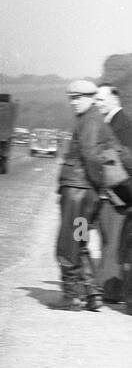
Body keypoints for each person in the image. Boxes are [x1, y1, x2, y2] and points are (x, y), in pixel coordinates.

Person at [55, 79, 120, 310]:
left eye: (79, 97)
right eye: (71, 98)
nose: (74, 102)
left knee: (68, 243)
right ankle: (93, 293)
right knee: (80, 240)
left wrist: (95, 184)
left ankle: (72, 294)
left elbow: (91, 156)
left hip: (77, 193)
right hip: (86, 195)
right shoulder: (93, 119)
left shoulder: (90, 121)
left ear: (91, 97)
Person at [94, 83, 132, 303]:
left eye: (101, 100)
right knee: (109, 240)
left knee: (114, 242)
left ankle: (110, 290)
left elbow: (123, 162)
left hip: (118, 194)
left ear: (114, 100)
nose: (98, 104)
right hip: (114, 192)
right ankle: (107, 286)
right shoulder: (115, 123)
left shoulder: (123, 125)